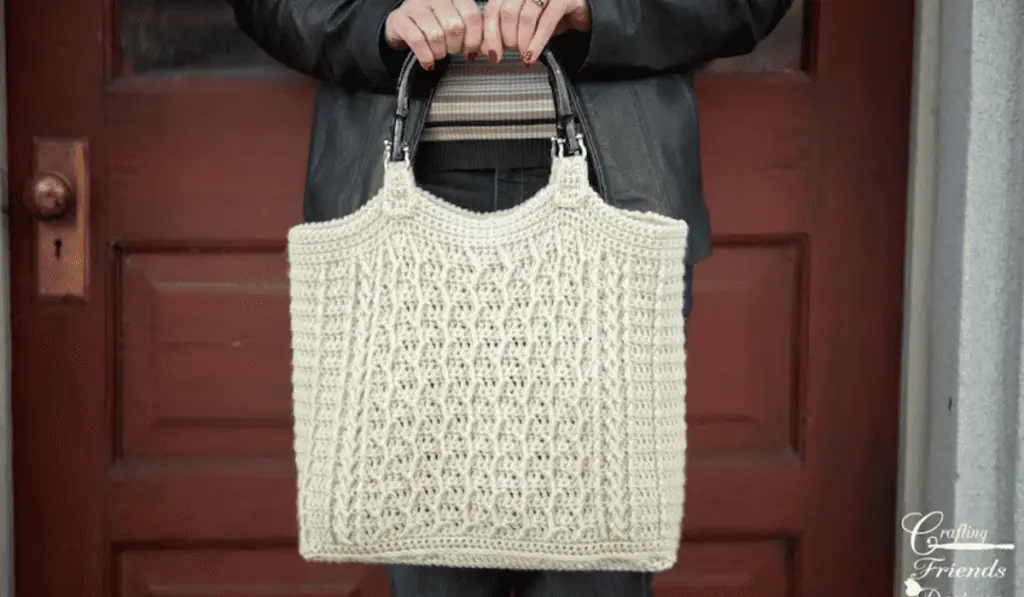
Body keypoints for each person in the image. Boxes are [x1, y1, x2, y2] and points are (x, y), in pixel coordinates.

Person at [229, 0, 791, 595]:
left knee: (598, 570)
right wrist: (374, 20)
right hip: (403, 219)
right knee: (432, 565)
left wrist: (597, 10)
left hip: (612, 210)